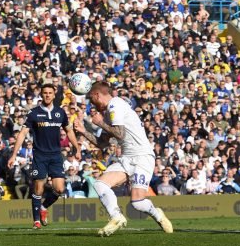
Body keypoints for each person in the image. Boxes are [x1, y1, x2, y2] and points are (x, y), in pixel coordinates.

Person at [73, 81, 173, 237]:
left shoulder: (115, 105)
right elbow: (103, 143)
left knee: (138, 203)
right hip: (126, 158)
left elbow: (120, 134)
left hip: (142, 157)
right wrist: (83, 131)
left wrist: (100, 123)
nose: (91, 105)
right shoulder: (108, 113)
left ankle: (157, 214)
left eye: (92, 100)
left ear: (97, 95)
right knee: (100, 184)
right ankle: (116, 216)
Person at [8, 84, 81, 229]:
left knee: (60, 189)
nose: (47, 95)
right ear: (41, 95)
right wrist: (14, 155)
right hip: (39, 156)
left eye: (50, 93)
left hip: (56, 155)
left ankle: (43, 207)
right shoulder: (34, 113)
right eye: (45, 93)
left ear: (54, 95)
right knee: (38, 189)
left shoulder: (60, 113)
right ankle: (36, 221)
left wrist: (77, 148)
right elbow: (22, 134)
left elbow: (69, 131)